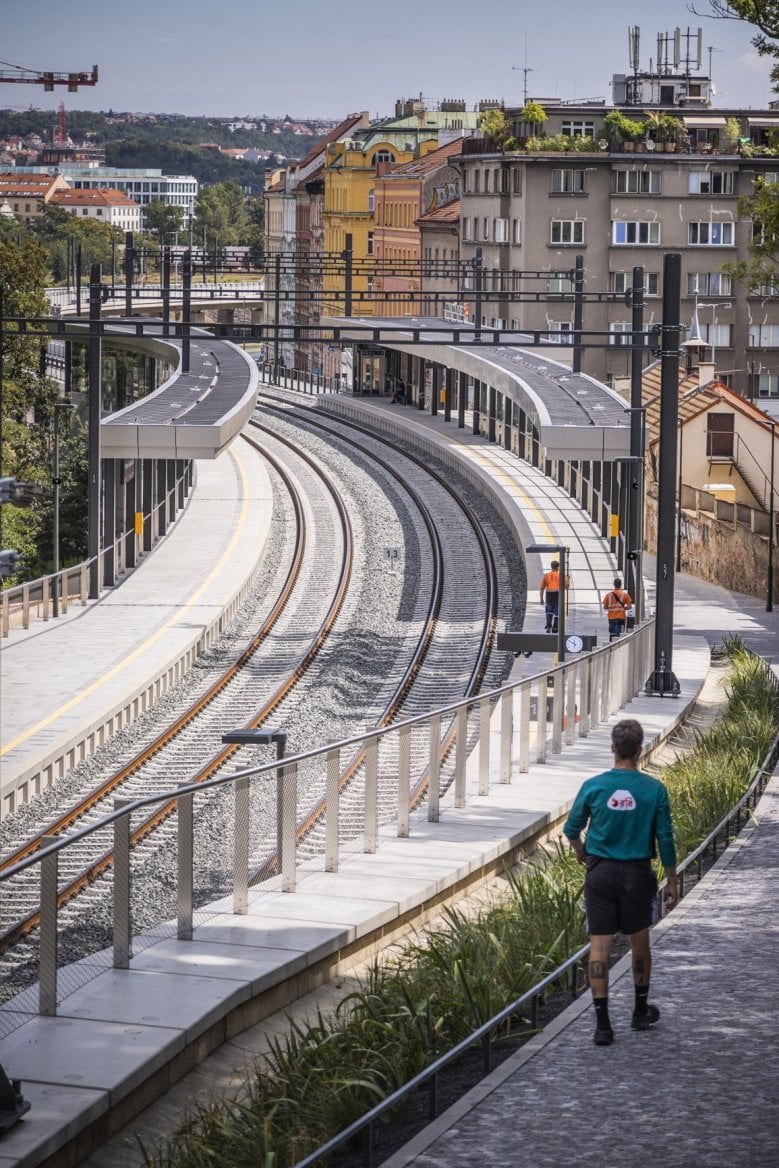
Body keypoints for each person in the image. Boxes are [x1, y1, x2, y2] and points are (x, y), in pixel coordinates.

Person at [563, 718, 678, 1047]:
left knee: (599, 947)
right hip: (637, 874)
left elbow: (571, 830)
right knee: (638, 942)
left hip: (600, 874)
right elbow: (665, 839)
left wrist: (582, 853)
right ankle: (640, 1011)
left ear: (612, 749)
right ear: (640, 750)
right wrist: (671, 881)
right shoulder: (654, 790)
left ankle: (602, 1025)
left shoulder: (594, 786)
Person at [539, 560, 568, 633]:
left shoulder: (546, 576)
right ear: (558, 567)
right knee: (557, 613)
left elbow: (542, 588)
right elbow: (566, 587)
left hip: (549, 595)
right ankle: (555, 628)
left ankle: (548, 626)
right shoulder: (561, 576)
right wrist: (567, 579)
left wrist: (541, 599)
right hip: (558, 596)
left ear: (551, 567)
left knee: (549, 611)